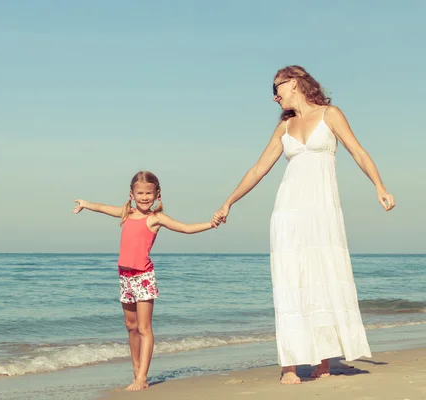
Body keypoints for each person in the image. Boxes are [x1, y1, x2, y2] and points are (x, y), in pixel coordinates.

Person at [213, 65, 395, 385]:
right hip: (288, 211)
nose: (274, 97)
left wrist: (379, 186)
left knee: (322, 277)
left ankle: (323, 361)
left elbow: (358, 151)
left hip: (323, 212)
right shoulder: (284, 128)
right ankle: (290, 365)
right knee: (290, 282)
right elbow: (258, 169)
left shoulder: (330, 114)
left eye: (276, 89)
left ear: (293, 83)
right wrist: (229, 201)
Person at [73, 170, 217, 391]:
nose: (144, 197)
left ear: (157, 194)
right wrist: (85, 203)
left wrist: (211, 223)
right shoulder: (125, 213)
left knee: (144, 328)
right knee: (130, 327)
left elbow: (186, 228)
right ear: (131, 193)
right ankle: (136, 374)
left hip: (143, 277)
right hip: (124, 276)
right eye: (139, 192)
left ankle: (142, 378)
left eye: (148, 193)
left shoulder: (155, 219)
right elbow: (102, 208)